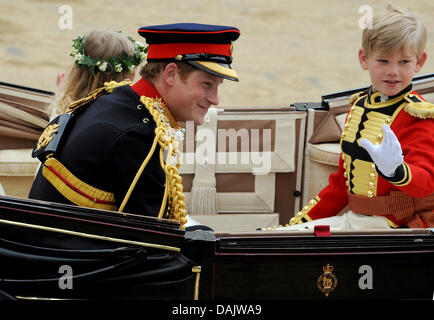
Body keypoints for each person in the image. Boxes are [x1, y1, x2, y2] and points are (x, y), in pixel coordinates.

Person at [29, 23, 241, 229]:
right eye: (207, 84)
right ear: (170, 74)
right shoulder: (137, 135)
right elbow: (151, 241)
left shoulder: (116, 99)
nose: (215, 99)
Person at [278, 4, 434, 230]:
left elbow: (426, 184)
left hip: (400, 228)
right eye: (383, 61)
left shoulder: (419, 115)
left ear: (419, 63)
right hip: (357, 221)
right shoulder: (359, 107)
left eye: (404, 62)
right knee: (284, 239)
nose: (393, 71)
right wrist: (296, 226)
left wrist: (397, 172)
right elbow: (340, 188)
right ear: (364, 59)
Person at [49, 29, 146, 117]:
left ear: (78, 71)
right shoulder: (120, 115)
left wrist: (63, 89)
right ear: (129, 78)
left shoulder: (61, 107)